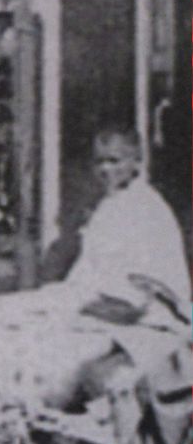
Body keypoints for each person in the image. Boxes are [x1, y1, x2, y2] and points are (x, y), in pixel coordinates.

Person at [61, 126, 190, 320]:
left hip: (143, 312)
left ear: (136, 162)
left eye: (114, 161)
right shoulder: (108, 204)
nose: (105, 169)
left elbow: (149, 285)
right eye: (99, 162)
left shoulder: (147, 207)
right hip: (97, 301)